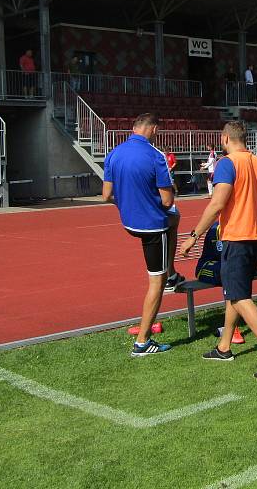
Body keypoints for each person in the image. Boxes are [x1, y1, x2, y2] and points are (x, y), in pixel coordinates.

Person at [180, 121, 257, 380]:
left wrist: (193, 236)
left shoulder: (227, 164)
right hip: (256, 238)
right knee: (235, 292)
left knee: (240, 297)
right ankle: (224, 347)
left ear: (225, 138)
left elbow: (218, 203)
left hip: (237, 239)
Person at [102, 113, 183, 356]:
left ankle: (170, 274)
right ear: (154, 129)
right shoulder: (155, 156)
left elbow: (106, 195)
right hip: (151, 226)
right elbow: (168, 201)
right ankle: (142, 342)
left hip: (129, 222)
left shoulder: (114, 153)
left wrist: (128, 203)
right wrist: (150, 201)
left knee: (175, 218)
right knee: (155, 283)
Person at [195, 222, 257, 340]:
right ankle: (232, 328)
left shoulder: (255, 225)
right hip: (210, 266)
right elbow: (225, 257)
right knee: (230, 272)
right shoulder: (219, 227)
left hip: (239, 264)